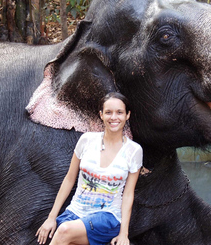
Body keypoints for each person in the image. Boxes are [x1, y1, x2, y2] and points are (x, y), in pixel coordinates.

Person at [36, 92, 143, 245]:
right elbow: (69, 179)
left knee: (64, 231)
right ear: (101, 115)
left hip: (107, 217)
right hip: (75, 213)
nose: (114, 117)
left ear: (127, 115)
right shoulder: (86, 140)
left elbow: (128, 194)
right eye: (108, 112)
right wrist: (51, 217)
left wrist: (123, 234)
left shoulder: (134, 151)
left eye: (119, 112)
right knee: (62, 230)